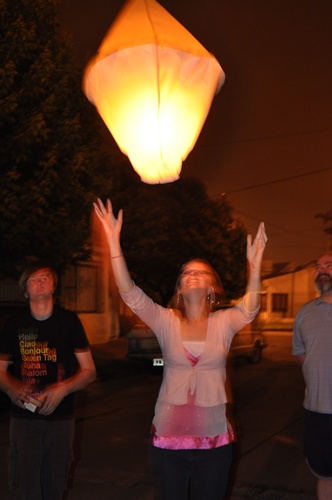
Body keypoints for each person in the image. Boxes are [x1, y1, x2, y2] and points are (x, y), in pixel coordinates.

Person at [94, 198, 267, 500]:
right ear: (179, 289)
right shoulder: (165, 320)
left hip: (214, 440)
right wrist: (113, 242)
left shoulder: (224, 322)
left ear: (212, 288)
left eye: (200, 272)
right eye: (186, 273)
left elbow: (250, 309)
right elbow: (129, 293)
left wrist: (254, 267)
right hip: (167, 439)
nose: (193, 275)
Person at [0, 264, 97, 500]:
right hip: (24, 419)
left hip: (60, 419)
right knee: (25, 486)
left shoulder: (69, 322)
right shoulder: (13, 325)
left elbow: (89, 371)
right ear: (25, 291)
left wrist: (62, 389)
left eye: (45, 278)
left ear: (54, 287)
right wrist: (12, 389)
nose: (40, 282)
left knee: (55, 485)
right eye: (33, 279)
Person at [292, 253, 332, 500]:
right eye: (317, 267)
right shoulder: (304, 313)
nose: (322, 270)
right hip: (315, 411)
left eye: (329, 265)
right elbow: (300, 354)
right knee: (324, 476)